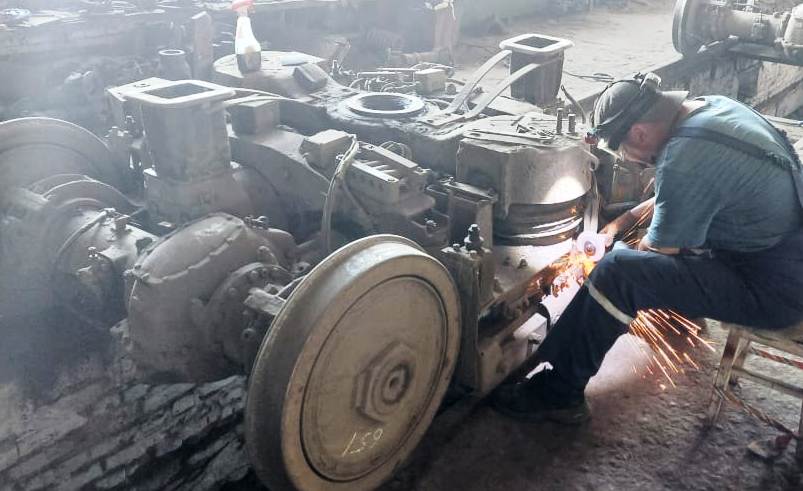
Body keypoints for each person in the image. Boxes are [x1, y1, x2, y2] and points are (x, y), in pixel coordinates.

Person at [494, 72, 803, 424]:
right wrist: (616, 228)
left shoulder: (684, 158)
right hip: (783, 253)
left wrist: (602, 261)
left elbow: (655, 250)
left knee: (617, 273)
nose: (629, 159)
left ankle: (559, 394)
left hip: (775, 289)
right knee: (642, 250)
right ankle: (685, 307)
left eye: (623, 149)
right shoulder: (711, 109)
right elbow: (678, 195)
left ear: (639, 133)